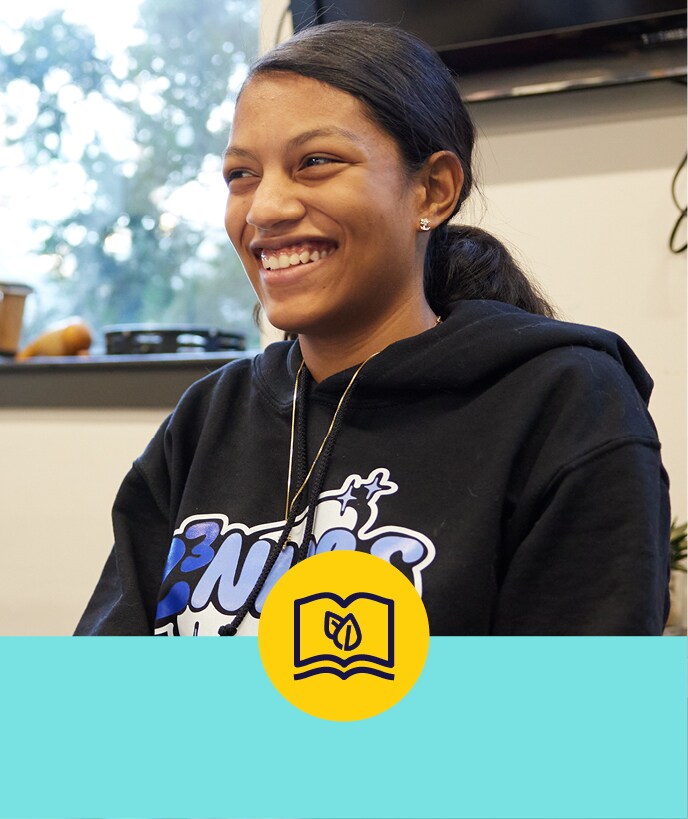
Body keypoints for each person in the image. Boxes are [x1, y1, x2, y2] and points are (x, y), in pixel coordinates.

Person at [75, 20, 670, 637]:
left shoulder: (566, 406)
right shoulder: (206, 419)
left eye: (316, 162)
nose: (265, 208)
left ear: (433, 192)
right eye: (241, 175)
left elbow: (580, 720)